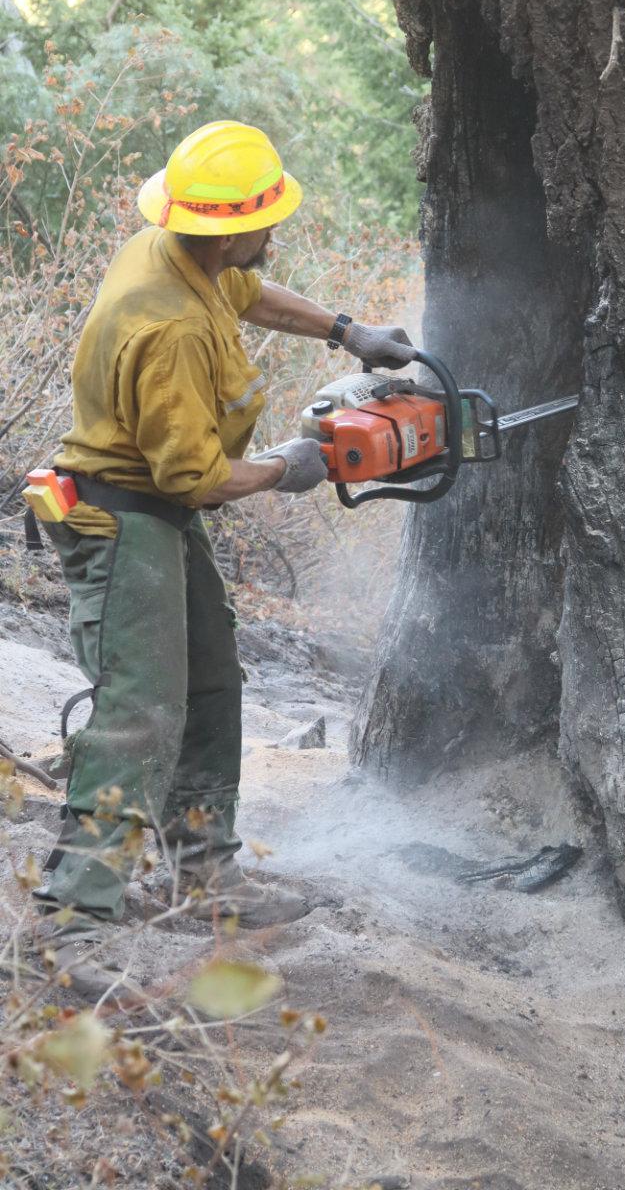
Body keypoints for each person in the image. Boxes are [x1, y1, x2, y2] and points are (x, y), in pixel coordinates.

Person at [34, 119, 415, 963]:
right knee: (140, 712)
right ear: (230, 228)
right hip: (125, 515)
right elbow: (195, 479)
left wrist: (348, 333)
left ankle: (202, 873)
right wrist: (291, 467)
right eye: (266, 221)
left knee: (211, 682)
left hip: (155, 514)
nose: (274, 232)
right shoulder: (165, 324)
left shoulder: (180, 253)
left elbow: (248, 293)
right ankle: (73, 919)